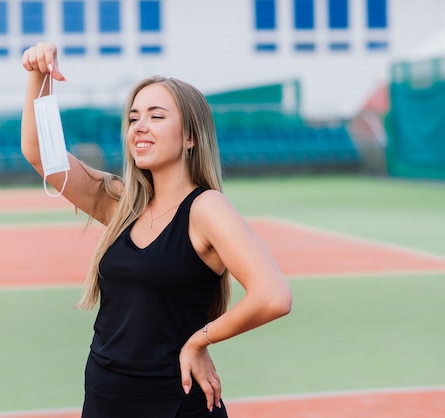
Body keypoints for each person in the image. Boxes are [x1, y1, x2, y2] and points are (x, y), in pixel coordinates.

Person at [21, 41, 292, 418]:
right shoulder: (121, 202)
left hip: (173, 401)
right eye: (133, 118)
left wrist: (199, 342)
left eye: (156, 116)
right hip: (104, 394)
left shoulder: (205, 208)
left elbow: (274, 296)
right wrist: (39, 77)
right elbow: (43, 157)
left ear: (190, 136)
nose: (140, 127)